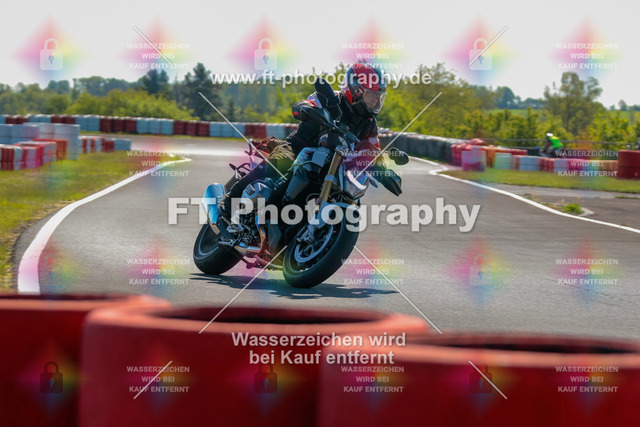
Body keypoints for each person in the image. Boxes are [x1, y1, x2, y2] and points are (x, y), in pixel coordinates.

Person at [218, 63, 408, 219]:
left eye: (379, 97)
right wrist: (307, 109)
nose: (376, 102)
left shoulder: (369, 124)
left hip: (332, 166)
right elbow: (303, 105)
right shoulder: (330, 99)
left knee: (349, 196)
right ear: (356, 90)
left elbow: (373, 149)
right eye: (372, 96)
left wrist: (384, 171)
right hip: (299, 147)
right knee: (281, 162)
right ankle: (229, 201)